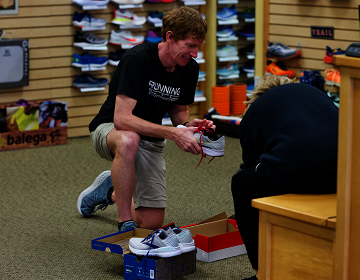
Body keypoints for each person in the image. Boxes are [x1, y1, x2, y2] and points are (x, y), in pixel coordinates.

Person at [77, 6, 214, 232]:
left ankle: (112, 189)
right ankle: (124, 223)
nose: (195, 53)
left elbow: (179, 109)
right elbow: (122, 119)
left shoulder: (189, 68)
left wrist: (187, 126)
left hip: (149, 137)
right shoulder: (137, 59)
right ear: (170, 37)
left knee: (151, 223)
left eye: (198, 47)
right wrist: (172, 133)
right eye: (190, 46)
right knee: (129, 140)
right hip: (110, 129)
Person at [231, 75, 338, 280]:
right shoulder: (316, 93)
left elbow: (252, 165)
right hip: (346, 169)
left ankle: (262, 273)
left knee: (241, 184)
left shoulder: (254, 111)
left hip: (297, 167)